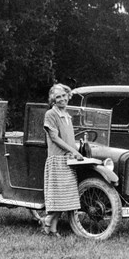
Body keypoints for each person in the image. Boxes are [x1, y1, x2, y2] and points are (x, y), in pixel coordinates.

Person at [41, 83, 84, 237]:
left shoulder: (67, 115)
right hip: (57, 159)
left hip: (68, 159)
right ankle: (48, 221)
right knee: (58, 197)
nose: (61, 99)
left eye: (63, 96)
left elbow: (68, 138)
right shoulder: (50, 114)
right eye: (57, 97)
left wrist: (75, 151)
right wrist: (73, 150)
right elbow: (54, 137)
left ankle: (51, 229)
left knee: (65, 197)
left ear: (68, 96)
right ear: (53, 99)